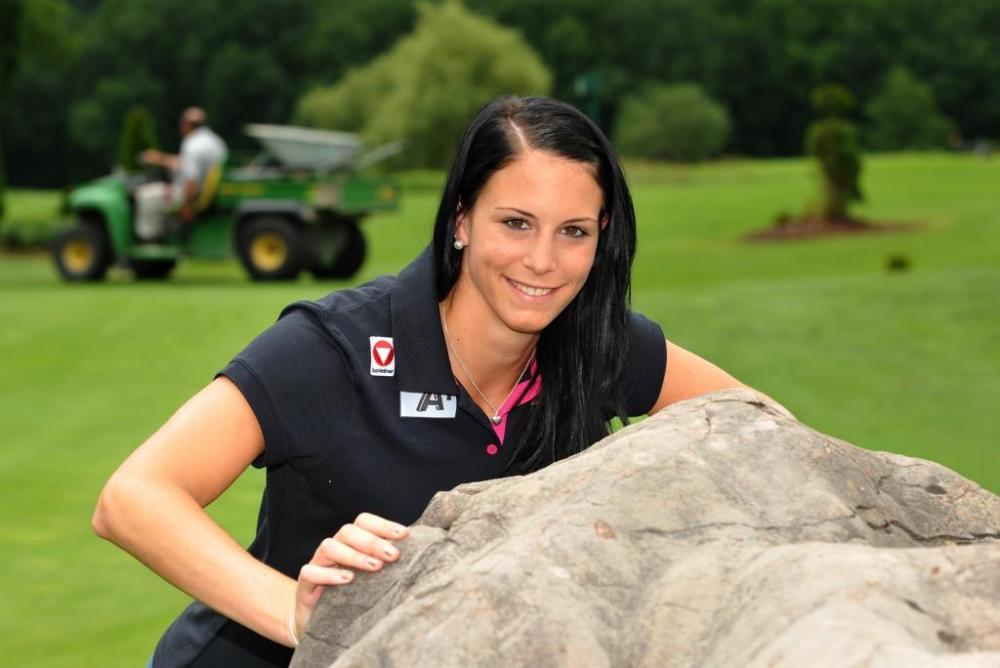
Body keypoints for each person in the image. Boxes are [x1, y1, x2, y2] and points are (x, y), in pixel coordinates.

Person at [93, 96, 770, 667]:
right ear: (461, 220)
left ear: (603, 236)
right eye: (516, 223)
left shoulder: (603, 346)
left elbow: (763, 433)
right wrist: (294, 612)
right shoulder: (338, 347)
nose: (542, 260)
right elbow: (133, 498)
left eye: (573, 231)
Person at [134, 106, 228, 241]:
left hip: (190, 195)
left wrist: (187, 205)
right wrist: (159, 158)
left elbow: (191, 180)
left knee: (145, 196)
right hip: (207, 193)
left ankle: (148, 240)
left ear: (186, 124)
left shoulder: (192, 145)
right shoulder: (215, 142)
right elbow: (187, 164)